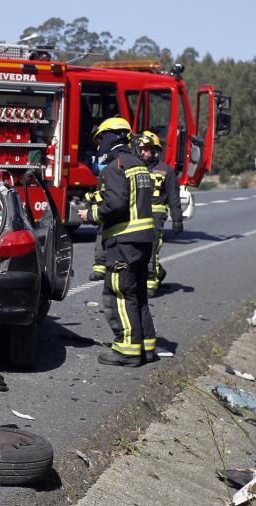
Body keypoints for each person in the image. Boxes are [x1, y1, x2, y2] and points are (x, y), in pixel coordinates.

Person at [78, 117, 157, 366]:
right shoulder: (139, 165)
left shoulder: (115, 166)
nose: (99, 145)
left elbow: (117, 204)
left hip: (124, 242)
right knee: (138, 295)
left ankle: (126, 351)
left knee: (119, 294)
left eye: (101, 139)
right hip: (143, 241)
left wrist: (89, 214)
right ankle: (146, 347)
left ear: (110, 138)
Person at [137, 131, 184, 296]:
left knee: (152, 249)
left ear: (155, 150)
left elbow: (173, 197)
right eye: (141, 149)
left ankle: (151, 284)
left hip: (156, 217)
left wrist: (177, 219)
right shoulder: (136, 169)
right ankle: (158, 273)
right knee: (137, 250)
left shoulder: (167, 171)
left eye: (146, 149)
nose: (142, 152)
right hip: (136, 216)